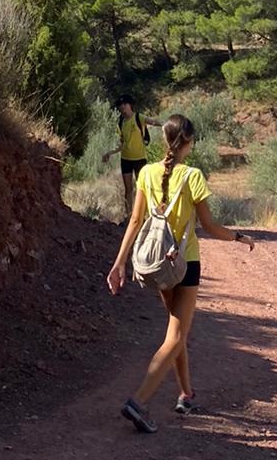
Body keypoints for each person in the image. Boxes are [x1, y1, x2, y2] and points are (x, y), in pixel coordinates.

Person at [106, 113, 254, 434]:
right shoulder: (192, 176)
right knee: (175, 335)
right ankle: (139, 401)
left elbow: (135, 221)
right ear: (189, 142)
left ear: (164, 140)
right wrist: (239, 237)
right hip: (184, 264)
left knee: (177, 332)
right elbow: (210, 226)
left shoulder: (147, 172)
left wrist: (119, 263)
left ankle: (186, 394)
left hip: (157, 264)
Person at [103, 95, 162, 218]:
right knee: (128, 190)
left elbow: (154, 122)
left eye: (124, 105)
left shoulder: (139, 118)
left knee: (143, 189)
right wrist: (110, 153)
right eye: (120, 106)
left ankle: (144, 216)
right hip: (126, 159)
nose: (122, 108)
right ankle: (129, 216)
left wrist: (169, 125)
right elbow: (122, 144)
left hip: (140, 159)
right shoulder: (121, 123)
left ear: (130, 105)